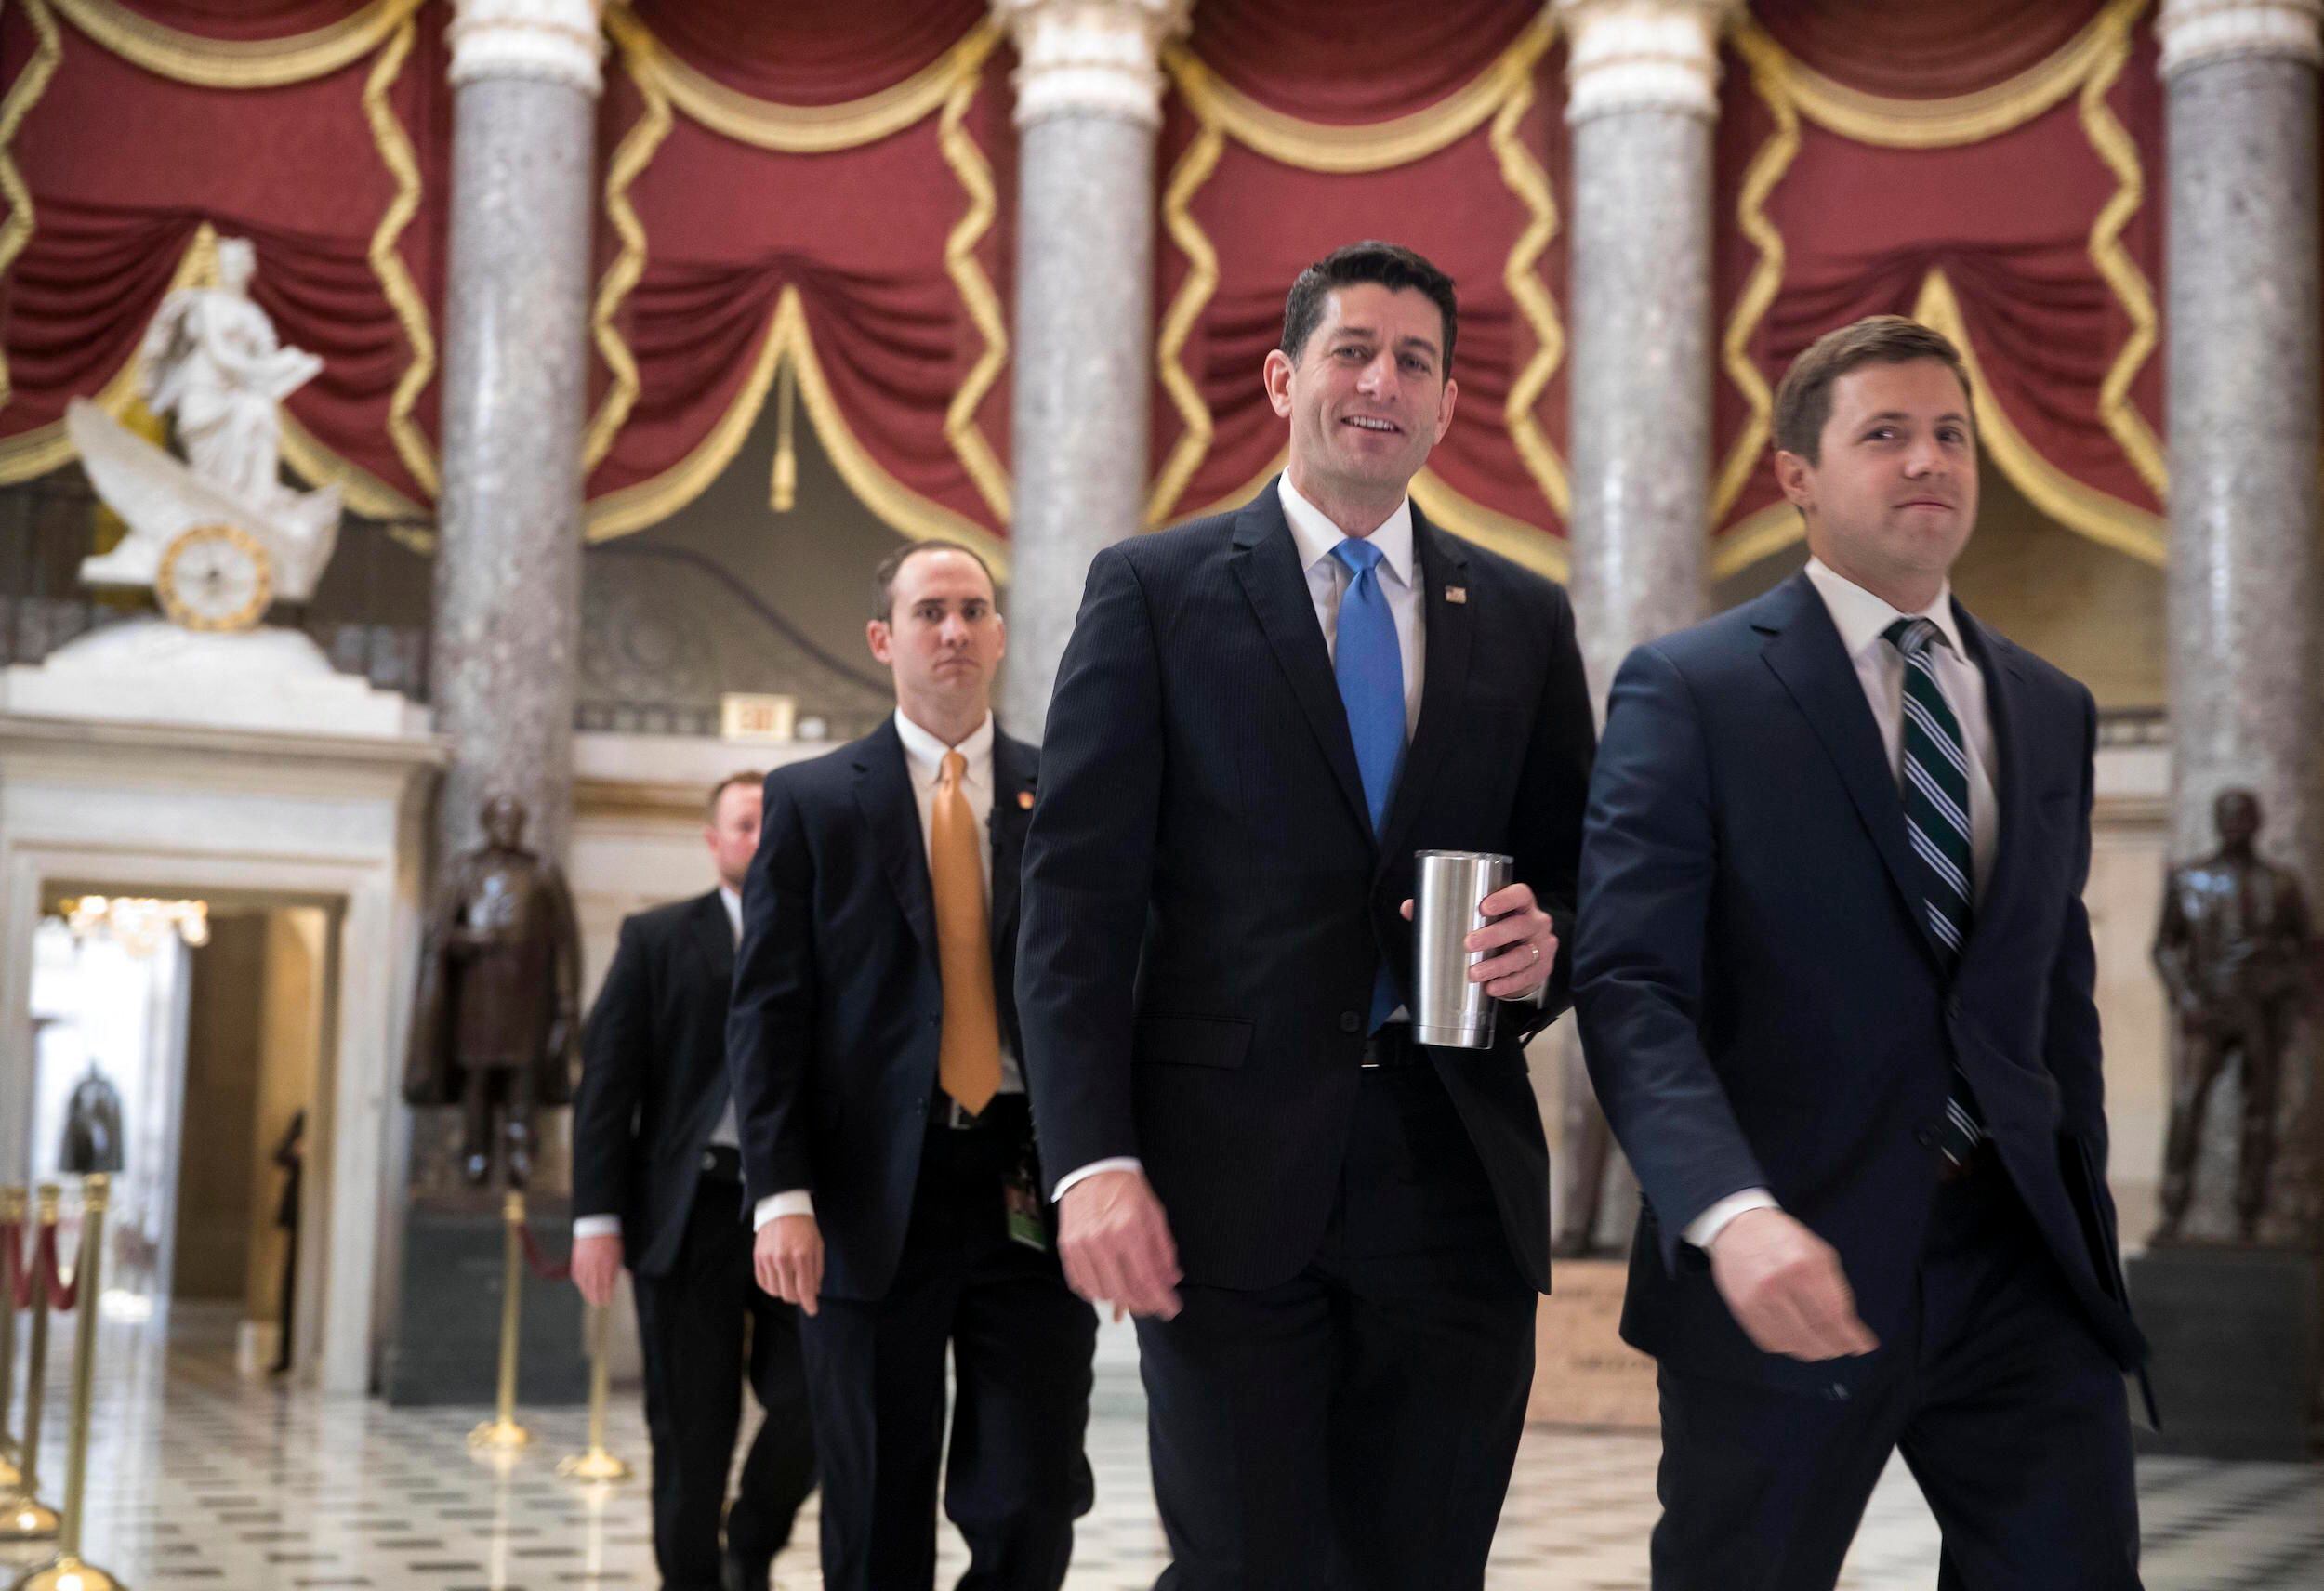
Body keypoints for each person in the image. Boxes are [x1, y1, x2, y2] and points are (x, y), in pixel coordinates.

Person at [1017, 241, 1595, 1588]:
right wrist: (1089, 1159)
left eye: (1415, 361)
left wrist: (1551, 945)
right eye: (1353, 351)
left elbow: (1581, 872)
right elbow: (1074, 908)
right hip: (1224, 1187)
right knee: (1244, 1564)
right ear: (1285, 379)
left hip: (1453, 1181)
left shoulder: (1520, 616)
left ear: (1448, 404)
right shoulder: (1153, 592)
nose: (1382, 382)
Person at [1574, 315, 2149, 1590]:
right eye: (1884, 434)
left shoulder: (2048, 706)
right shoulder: (1694, 688)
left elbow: (2055, 1008)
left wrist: (2083, 1235)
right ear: (1797, 476)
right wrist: (1729, 1214)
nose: (1927, 459)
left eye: (1950, 434)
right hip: (1785, 1255)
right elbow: (1631, 986)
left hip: (2019, 1267)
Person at [729, 542, 1097, 1591]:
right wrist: (780, 1195)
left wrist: (1112, 1169)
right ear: (883, 638)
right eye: (929, 610)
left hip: (1027, 1183)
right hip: (867, 1192)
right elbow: (769, 1013)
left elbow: (1110, 989)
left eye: (973, 609)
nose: (954, 630)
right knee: (876, 1508)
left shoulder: (1063, 790)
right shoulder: (811, 801)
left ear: (1000, 634)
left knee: (1031, 1492)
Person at [570, 773, 815, 1591]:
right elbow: (608, 1088)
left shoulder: (826, 935)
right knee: (690, 1429)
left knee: (815, 1399)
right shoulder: (657, 938)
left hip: (797, 1210)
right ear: (714, 842)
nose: (760, 837)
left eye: (772, 823)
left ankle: (753, 1536)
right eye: (744, 823)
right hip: (690, 1212)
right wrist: (596, 1219)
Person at [2152, 788, 2315, 1243]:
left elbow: (2307, 951)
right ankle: (2172, 1209)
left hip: (2259, 1012)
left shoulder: (2281, 884)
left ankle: (2248, 1214)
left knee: (2259, 1111)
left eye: (2244, 816)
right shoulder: (2188, 880)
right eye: (2228, 815)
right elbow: (2165, 947)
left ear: (2257, 821)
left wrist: (2283, 982)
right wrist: (2186, 998)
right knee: (2187, 1105)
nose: (2236, 824)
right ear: (2216, 820)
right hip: (2208, 1007)